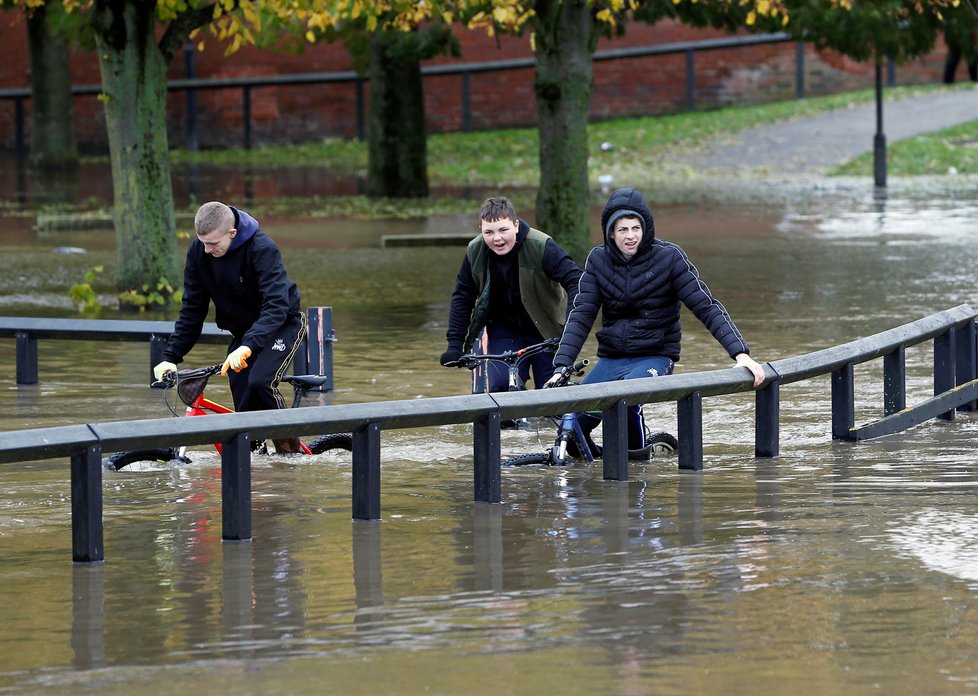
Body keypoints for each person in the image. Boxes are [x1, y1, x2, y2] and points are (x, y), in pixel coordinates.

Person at [544, 187, 765, 459]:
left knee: (626, 401)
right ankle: (591, 468)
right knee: (572, 423)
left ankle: (637, 464)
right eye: (622, 229)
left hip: (654, 355)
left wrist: (741, 354)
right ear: (610, 232)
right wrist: (561, 366)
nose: (630, 236)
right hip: (612, 357)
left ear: (645, 228)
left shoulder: (669, 257)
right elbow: (580, 316)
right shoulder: (597, 260)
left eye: (636, 227)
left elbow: (706, 306)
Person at [153, 201, 307, 449]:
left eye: (213, 244)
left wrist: (248, 346)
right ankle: (254, 458)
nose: (206, 250)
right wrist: (171, 355)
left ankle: (290, 457)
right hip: (244, 333)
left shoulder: (262, 248)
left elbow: (277, 305)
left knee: (259, 382)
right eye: (202, 242)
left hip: (283, 324)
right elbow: (193, 309)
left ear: (232, 234)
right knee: (242, 390)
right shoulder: (199, 252)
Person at [440, 197, 583, 396]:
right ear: (480, 228)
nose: (497, 238)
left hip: (547, 329)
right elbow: (462, 296)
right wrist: (454, 344)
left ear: (516, 225)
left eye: (503, 230)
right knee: (500, 391)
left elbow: (577, 281)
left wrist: (571, 327)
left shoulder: (541, 245)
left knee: (553, 394)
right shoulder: (475, 251)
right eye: (489, 232)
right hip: (503, 330)